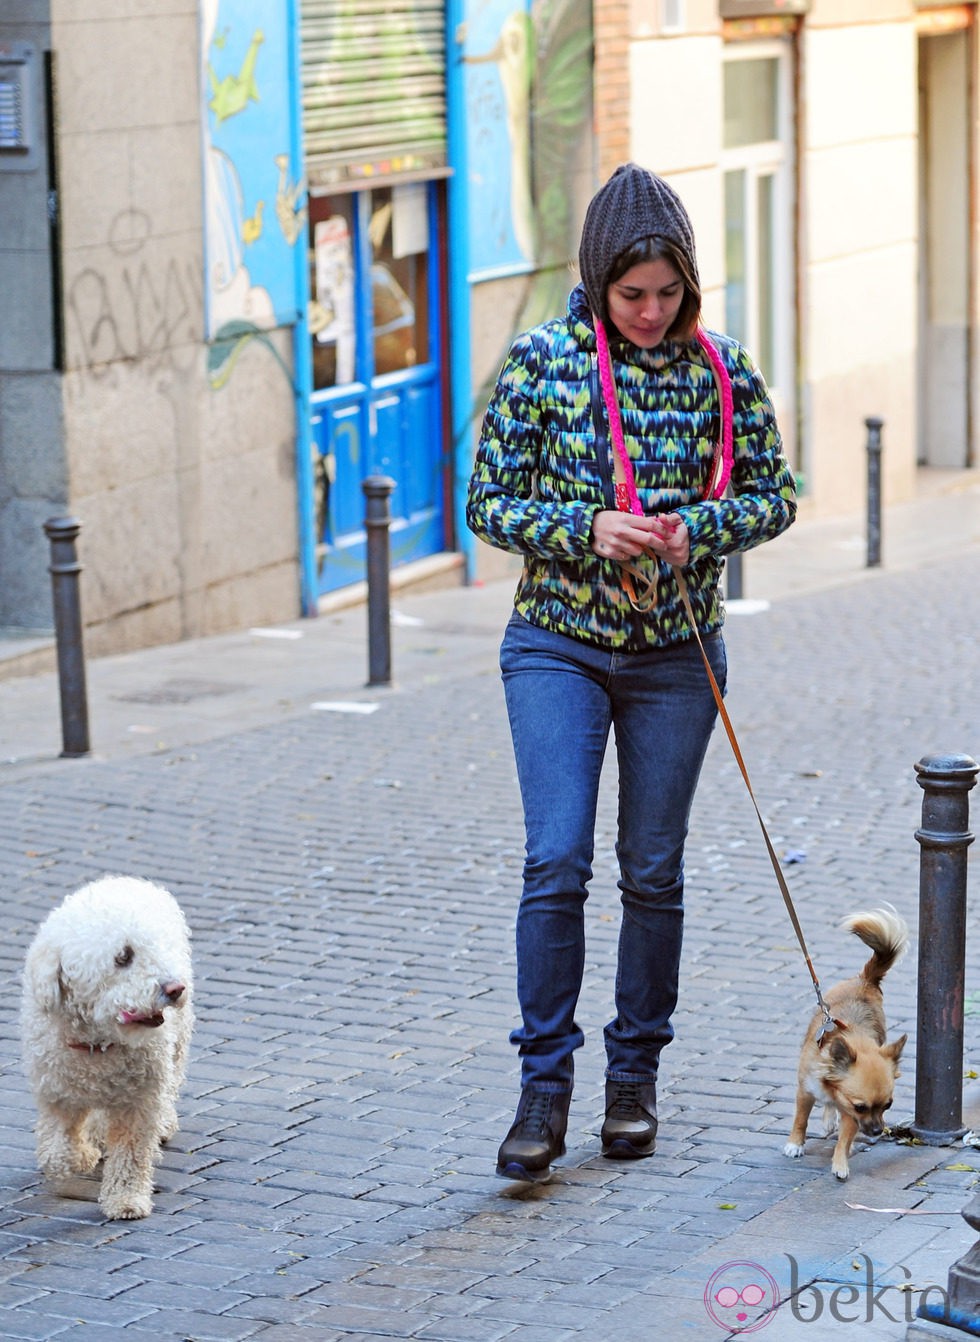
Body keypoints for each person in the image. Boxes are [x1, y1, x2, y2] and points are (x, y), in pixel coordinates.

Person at [466, 162, 797, 1183]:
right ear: (598, 283)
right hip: (556, 645)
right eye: (630, 295)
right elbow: (487, 500)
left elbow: (776, 495)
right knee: (554, 859)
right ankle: (541, 1091)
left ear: (686, 286)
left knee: (651, 870)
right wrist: (583, 528)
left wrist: (693, 528)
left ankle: (632, 1079)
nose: (649, 313)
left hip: (673, 658)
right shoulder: (542, 363)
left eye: (665, 294)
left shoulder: (720, 372)